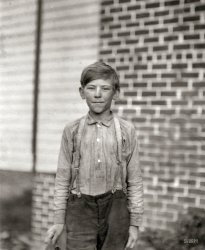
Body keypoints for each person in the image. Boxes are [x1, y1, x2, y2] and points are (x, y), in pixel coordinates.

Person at [45, 61, 143, 250]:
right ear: (82, 93)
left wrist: (134, 224)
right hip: (80, 211)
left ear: (116, 93)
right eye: (91, 88)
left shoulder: (126, 130)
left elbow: (135, 180)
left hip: (116, 211)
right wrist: (59, 221)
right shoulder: (72, 130)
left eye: (105, 88)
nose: (98, 94)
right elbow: (62, 178)